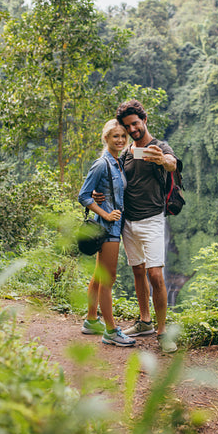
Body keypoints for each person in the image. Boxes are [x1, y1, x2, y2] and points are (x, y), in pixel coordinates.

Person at [97, 100, 178, 353]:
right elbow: (117, 181)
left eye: (135, 124)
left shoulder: (159, 147)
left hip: (152, 219)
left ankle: (163, 333)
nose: (132, 130)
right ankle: (145, 321)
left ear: (144, 120)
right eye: (127, 126)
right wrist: (100, 196)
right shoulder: (126, 153)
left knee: (155, 274)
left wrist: (162, 160)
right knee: (138, 271)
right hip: (127, 222)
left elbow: (172, 163)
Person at [78, 119, 135, 347]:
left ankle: (92, 320)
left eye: (123, 136)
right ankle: (111, 331)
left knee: (100, 276)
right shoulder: (102, 164)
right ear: (106, 138)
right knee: (108, 279)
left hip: (114, 227)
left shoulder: (118, 162)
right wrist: (106, 213)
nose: (120, 140)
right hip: (108, 228)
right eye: (115, 136)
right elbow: (84, 195)